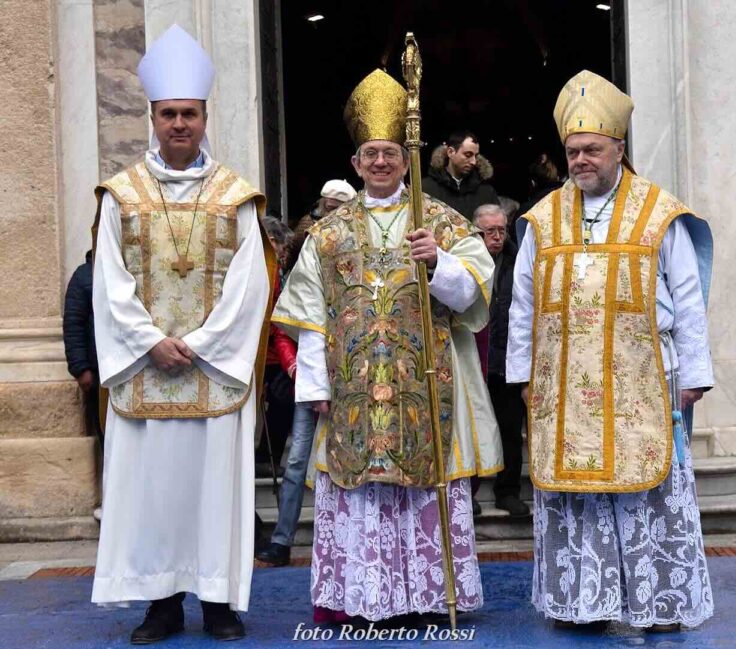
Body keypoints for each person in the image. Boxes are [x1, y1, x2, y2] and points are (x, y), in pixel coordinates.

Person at [272, 69, 502, 622]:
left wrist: (438, 263)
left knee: (423, 485)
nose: (380, 162)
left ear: (408, 159)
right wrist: (316, 390)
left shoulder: (440, 222)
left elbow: (474, 291)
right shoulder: (327, 235)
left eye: (391, 153)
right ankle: (361, 597)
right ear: (355, 163)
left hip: (425, 385)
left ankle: (424, 596)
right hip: (350, 390)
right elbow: (309, 317)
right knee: (359, 490)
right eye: (371, 153)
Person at [506, 70, 714, 631]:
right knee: (577, 495)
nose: (580, 160)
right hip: (562, 386)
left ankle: (656, 602)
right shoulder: (543, 218)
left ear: (618, 149)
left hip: (644, 379)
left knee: (645, 490)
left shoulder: (657, 212)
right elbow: (522, 302)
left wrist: (694, 373)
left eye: (592, 149)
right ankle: (582, 604)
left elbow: (688, 299)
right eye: (572, 151)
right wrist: (523, 374)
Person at [90, 24, 272, 643]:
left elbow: (251, 284)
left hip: (210, 372)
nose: (178, 124)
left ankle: (219, 603)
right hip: (147, 370)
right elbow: (107, 281)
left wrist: (202, 344)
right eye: (167, 114)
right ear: (151, 116)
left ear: (203, 115)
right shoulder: (121, 195)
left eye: (188, 114)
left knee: (214, 494)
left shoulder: (235, 195)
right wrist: (149, 341)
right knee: (153, 498)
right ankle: (160, 603)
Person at [472, 205, 527, 518]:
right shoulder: (466, 261)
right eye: (488, 231)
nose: (495, 237)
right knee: (474, 428)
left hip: (508, 358)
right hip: (475, 358)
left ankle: (508, 491)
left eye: (500, 230)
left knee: (509, 429)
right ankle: (471, 491)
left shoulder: (518, 261)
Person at [255, 216, 298, 479]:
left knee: (282, 401)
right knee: (280, 400)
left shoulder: (279, 266)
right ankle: (262, 457)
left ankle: (266, 456)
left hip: (276, 349)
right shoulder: (264, 265)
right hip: (265, 348)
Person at [63, 250, 104, 520]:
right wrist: (81, 369)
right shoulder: (84, 276)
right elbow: (74, 324)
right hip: (99, 373)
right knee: (107, 437)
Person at [421, 130, 499, 220]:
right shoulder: (426, 188)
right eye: (468, 155)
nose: (473, 161)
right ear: (450, 152)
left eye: (475, 156)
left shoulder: (486, 191)